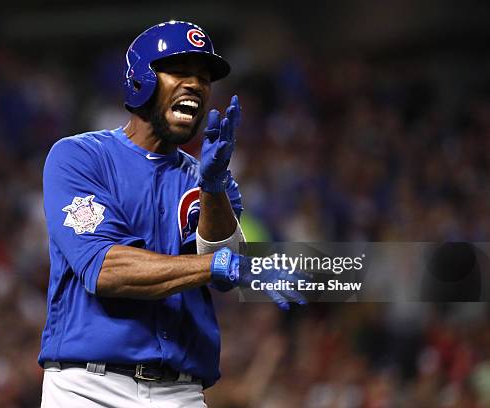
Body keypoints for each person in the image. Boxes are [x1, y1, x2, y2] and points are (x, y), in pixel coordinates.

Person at [39, 20, 305, 407]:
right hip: (88, 386)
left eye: (203, 77)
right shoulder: (79, 157)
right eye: (180, 71)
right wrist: (218, 265)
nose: (196, 84)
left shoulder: (208, 178)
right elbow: (105, 269)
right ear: (141, 81)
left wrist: (213, 188)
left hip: (182, 391)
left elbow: (227, 263)